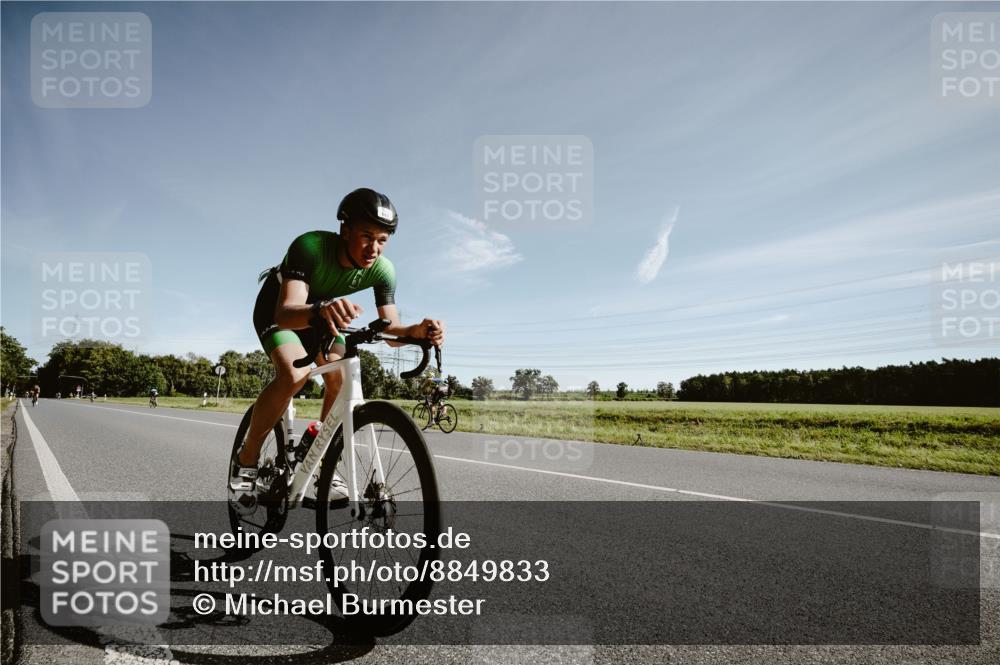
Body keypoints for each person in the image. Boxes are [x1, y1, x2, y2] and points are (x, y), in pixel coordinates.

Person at [230, 188, 445, 514]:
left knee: (341, 381)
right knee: (294, 374)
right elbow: (287, 311)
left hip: (326, 319)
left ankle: (319, 453)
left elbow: (390, 331)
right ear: (345, 230)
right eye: (366, 236)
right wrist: (321, 308)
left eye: (382, 240)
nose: (374, 248)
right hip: (282, 310)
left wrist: (414, 331)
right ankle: (247, 460)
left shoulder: (384, 270)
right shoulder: (311, 246)